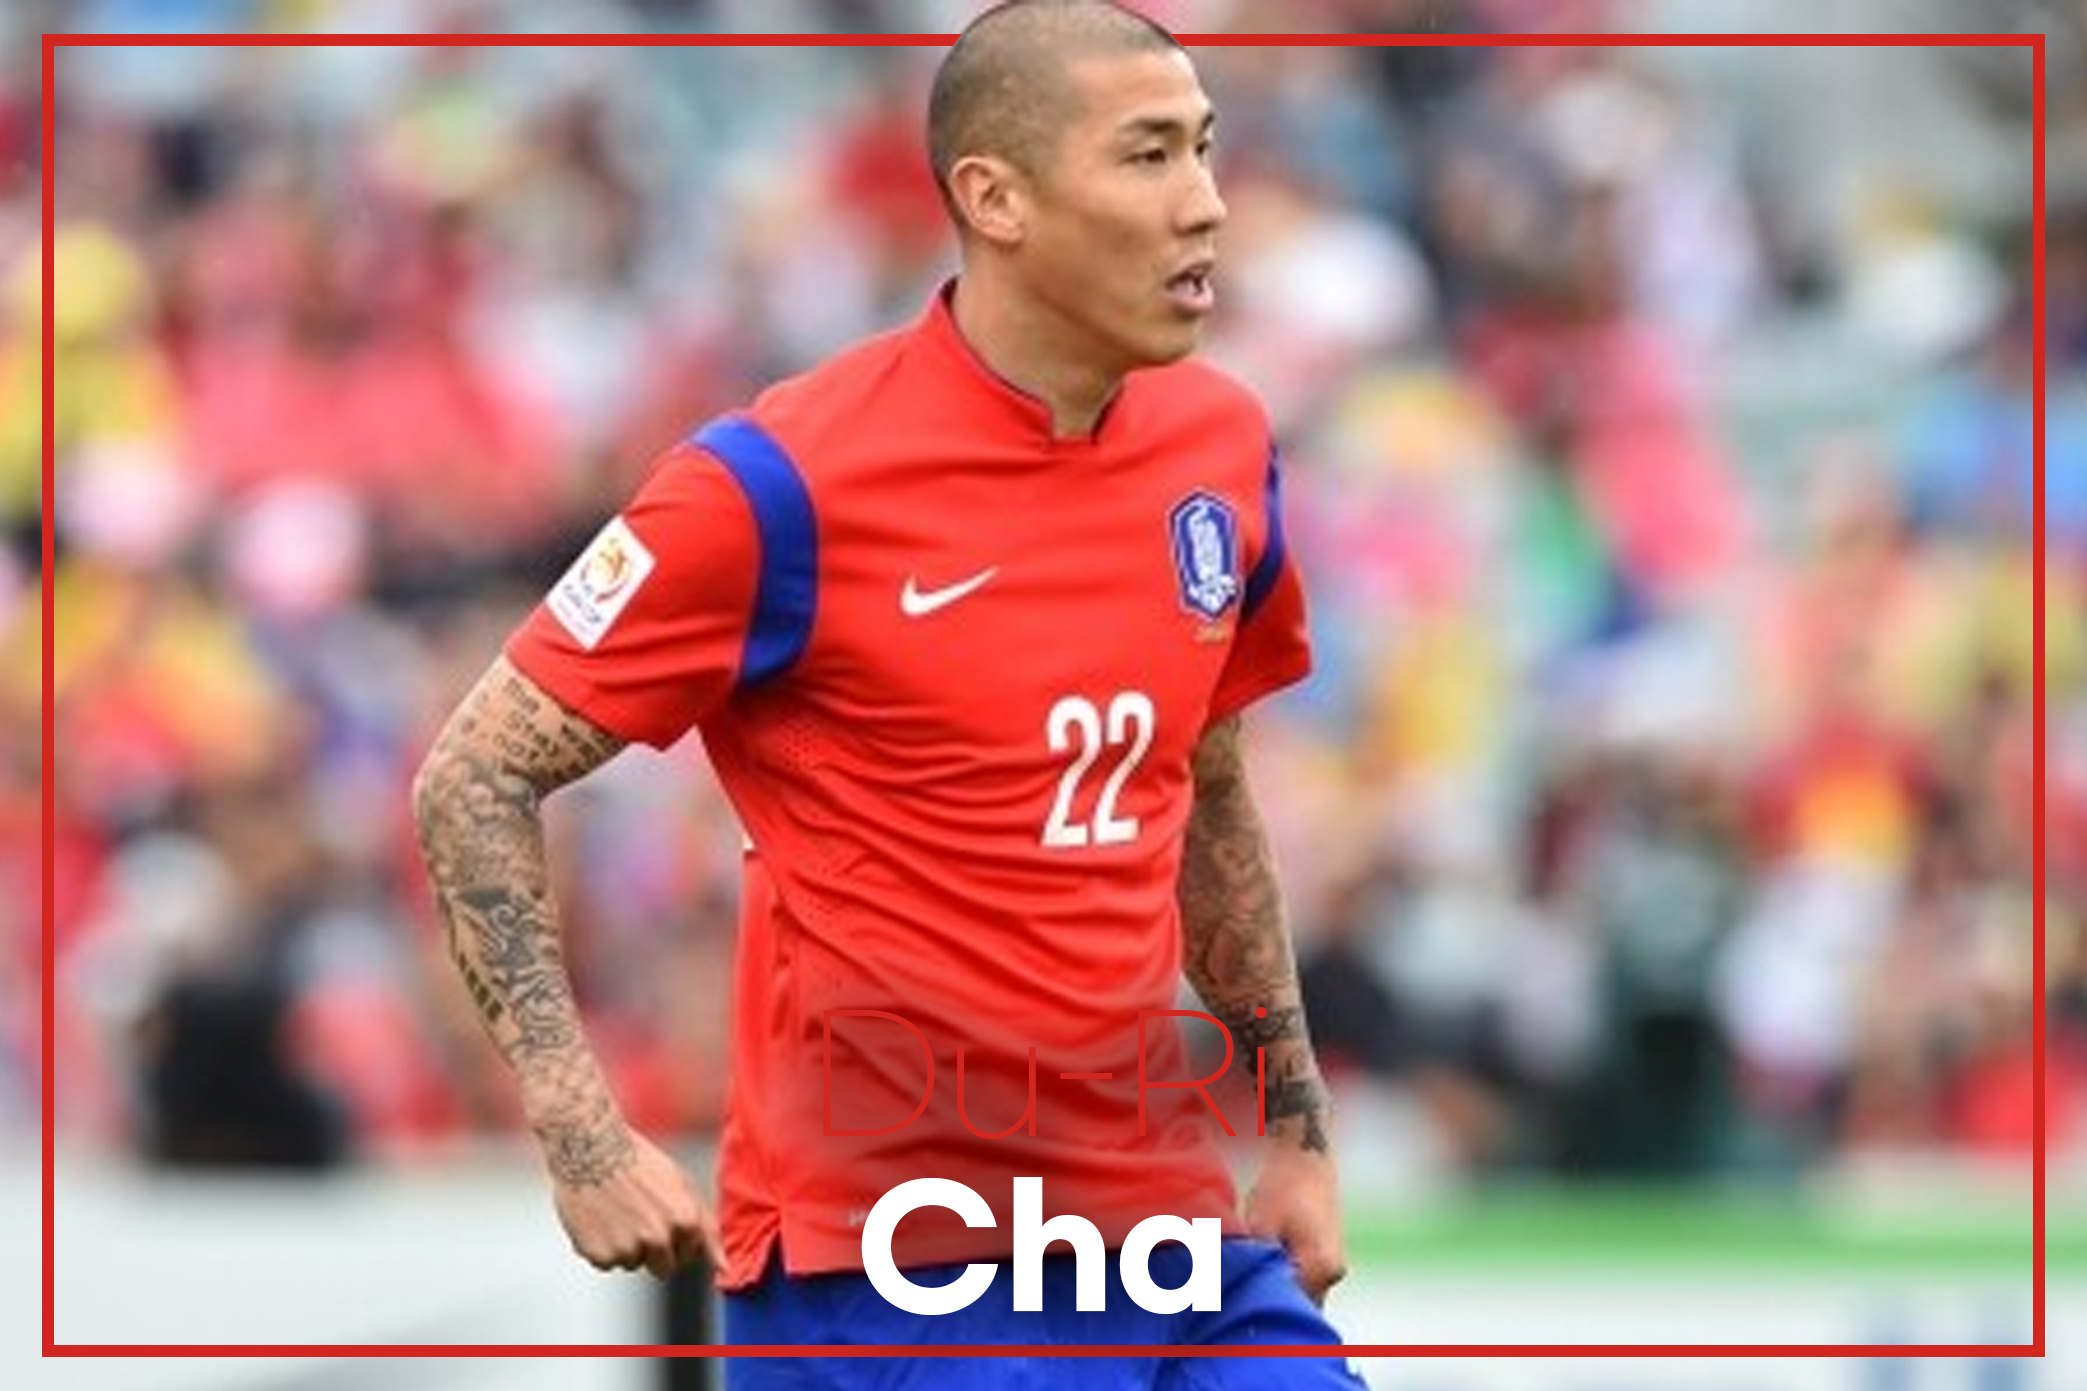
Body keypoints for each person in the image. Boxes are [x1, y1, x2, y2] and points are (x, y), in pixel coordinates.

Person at [411, 1, 1360, 1382]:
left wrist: (1298, 1128)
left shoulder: (1217, 445)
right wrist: (581, 1131)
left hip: (1159, 1227)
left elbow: (1203, 792)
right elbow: (474, 774)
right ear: (996, 198)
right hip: (893, 1268)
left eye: (1205, 149)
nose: (1206, 202)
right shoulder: (776, 484)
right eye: (1149, 155)